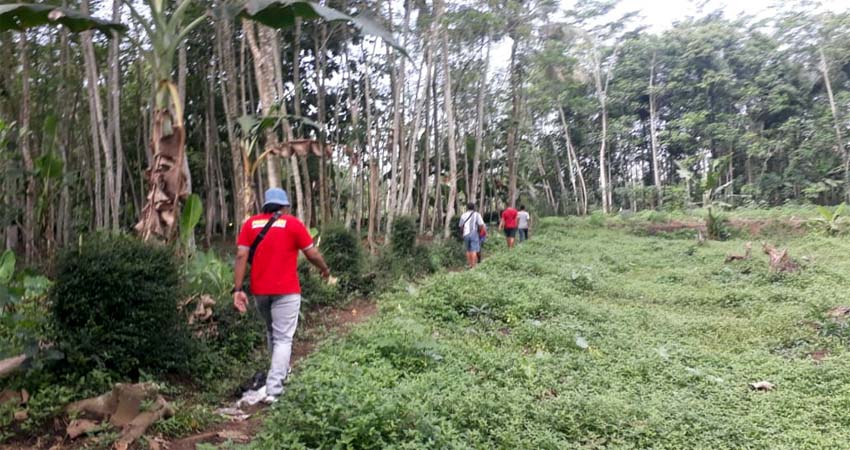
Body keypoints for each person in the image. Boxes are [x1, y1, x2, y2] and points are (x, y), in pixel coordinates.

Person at [232, 188, 331, 404]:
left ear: (266, 205)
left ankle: (280, 376)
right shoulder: (292, 224)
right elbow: (311, 253)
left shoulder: (250, 225)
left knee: (272, 332)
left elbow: (241, 255)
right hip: (286, 291)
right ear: (284, 206)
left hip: (260, 291)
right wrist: (324, 269)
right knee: (284, 338)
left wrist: (238, 288)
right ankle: (275, 389)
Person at [458, 202, 485, 269]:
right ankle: (473, 265)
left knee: (468, 250)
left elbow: (461, 226)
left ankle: (470, 264)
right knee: (474, 249)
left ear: (467, 208)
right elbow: (481, 225)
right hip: (474, 233)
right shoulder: (477, 214)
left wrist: (462, 234)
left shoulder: (463, 215)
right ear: (474, 207)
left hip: (466, 234)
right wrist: (480, 231)